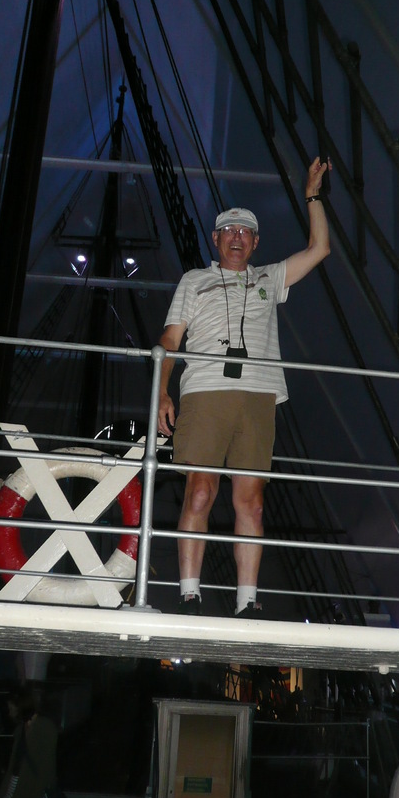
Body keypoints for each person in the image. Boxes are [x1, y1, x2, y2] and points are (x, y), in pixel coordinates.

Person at [157, 157, 331, 617]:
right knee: (200, 492)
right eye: (228, 231)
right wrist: (162, 392)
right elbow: (170, 340)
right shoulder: (194, 281)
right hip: (204, 393)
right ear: (215, 240)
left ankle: (247, 602)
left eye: (245, 232)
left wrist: (312, 195)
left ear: (255, 243)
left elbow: (319, 249)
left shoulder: (269, 278)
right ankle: (189, 594)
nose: (236, 237)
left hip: (258, 396)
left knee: (251, 503)